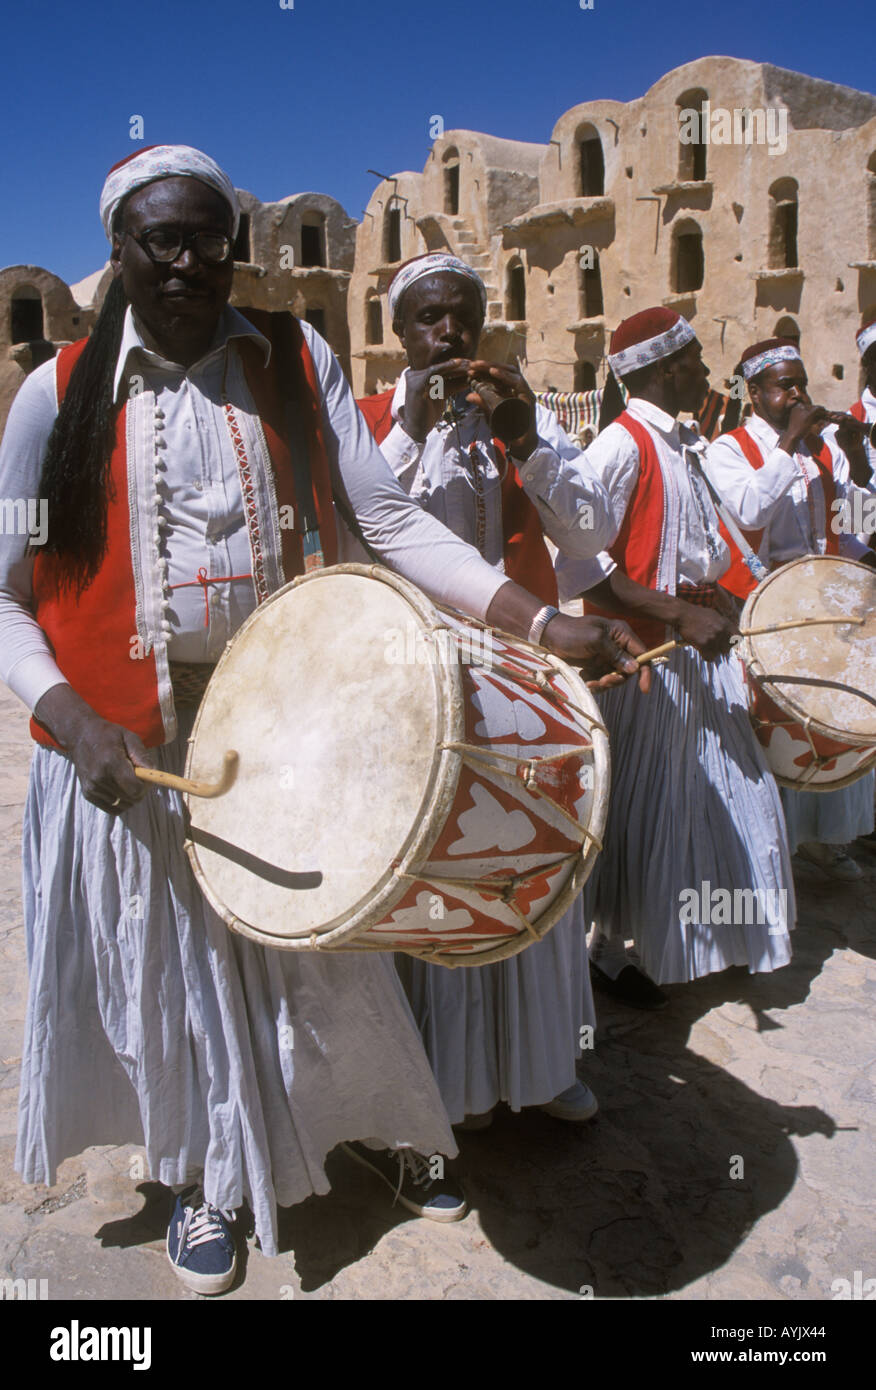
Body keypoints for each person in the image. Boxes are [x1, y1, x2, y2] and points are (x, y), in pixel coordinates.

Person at [0, 149, 646, 1296]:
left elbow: (387, 515)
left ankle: (368, 1128)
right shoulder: (53, 395)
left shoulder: (298, 359)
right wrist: (66, 713)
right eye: (163, 240)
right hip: (135, 755)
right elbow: (2, 587)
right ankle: (207, 1174)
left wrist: (540, 624)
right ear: (119, 253)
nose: (190, 260)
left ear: (237, 246)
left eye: (211, 236)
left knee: (327, 953)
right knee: (179, 973)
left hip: (289, 725)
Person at [354, 253, 641, 1127]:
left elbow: (592, 528)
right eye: (429, 319)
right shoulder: (367, 425)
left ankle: (539, 1063)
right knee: (438, 881)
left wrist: (527, 441)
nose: (449, 334)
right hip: (415, 689)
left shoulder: (519, 420)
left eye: (464, 318)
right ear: (399, 332)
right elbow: (352, 528)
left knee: (527, 865)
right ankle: (450, 1087)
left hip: (519, 684)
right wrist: (406, 429)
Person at [555, 308, 795, 1004]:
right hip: (644, 659)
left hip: (694, 651)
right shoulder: (617, 447)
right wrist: (676, 612)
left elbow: (694, 549)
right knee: (638, 809)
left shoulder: (684, 444)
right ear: (662, 370)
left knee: (721, 795)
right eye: (692, 359)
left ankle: (680, 941)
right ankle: (608, 951)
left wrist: (715, 600)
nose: (705, 372)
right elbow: (577, 566)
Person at [705, 337, 875, 880]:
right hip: (760, 613)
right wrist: (792, 441)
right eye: (785, 386)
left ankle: (819, 838)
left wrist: (855, 461)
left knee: (822, 719)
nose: (798, 394)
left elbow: (854, 532)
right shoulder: (728, 448)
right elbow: (749, 508)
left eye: (802, 382)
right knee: (770, 729)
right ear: (754, 393)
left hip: (819, 614)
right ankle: (771, 847)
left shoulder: (819, 453)